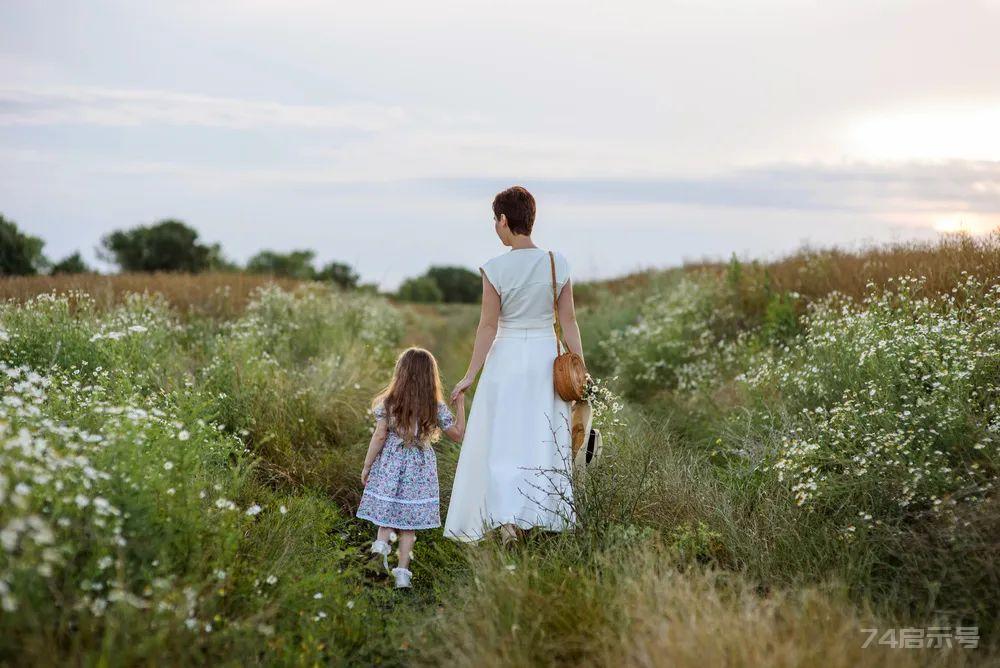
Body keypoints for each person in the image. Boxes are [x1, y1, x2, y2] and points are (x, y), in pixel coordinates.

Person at [445, 185, 584, 543]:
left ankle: (506, 522)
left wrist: (470, 375)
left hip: (506, 359)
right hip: (544, 358)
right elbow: (568, 321)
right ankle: (537, 517)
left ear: (504, 220)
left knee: (503, 441)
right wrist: (580, 367)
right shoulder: (558, 262)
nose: (496, 226)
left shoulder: (495, 269)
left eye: (495, 220)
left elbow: (488, 326)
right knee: (540, 439)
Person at [357, 347, 466, 588]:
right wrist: (460, 405)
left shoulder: (390, 402)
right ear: (430, 376)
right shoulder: (434, 406)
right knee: (409, 526)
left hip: (390, 464)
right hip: (420, 467)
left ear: (401, 373)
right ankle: (402, 575)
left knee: (385, 517)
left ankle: (379, 554)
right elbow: (458, 434)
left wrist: (367, 465)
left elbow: (379, 436)